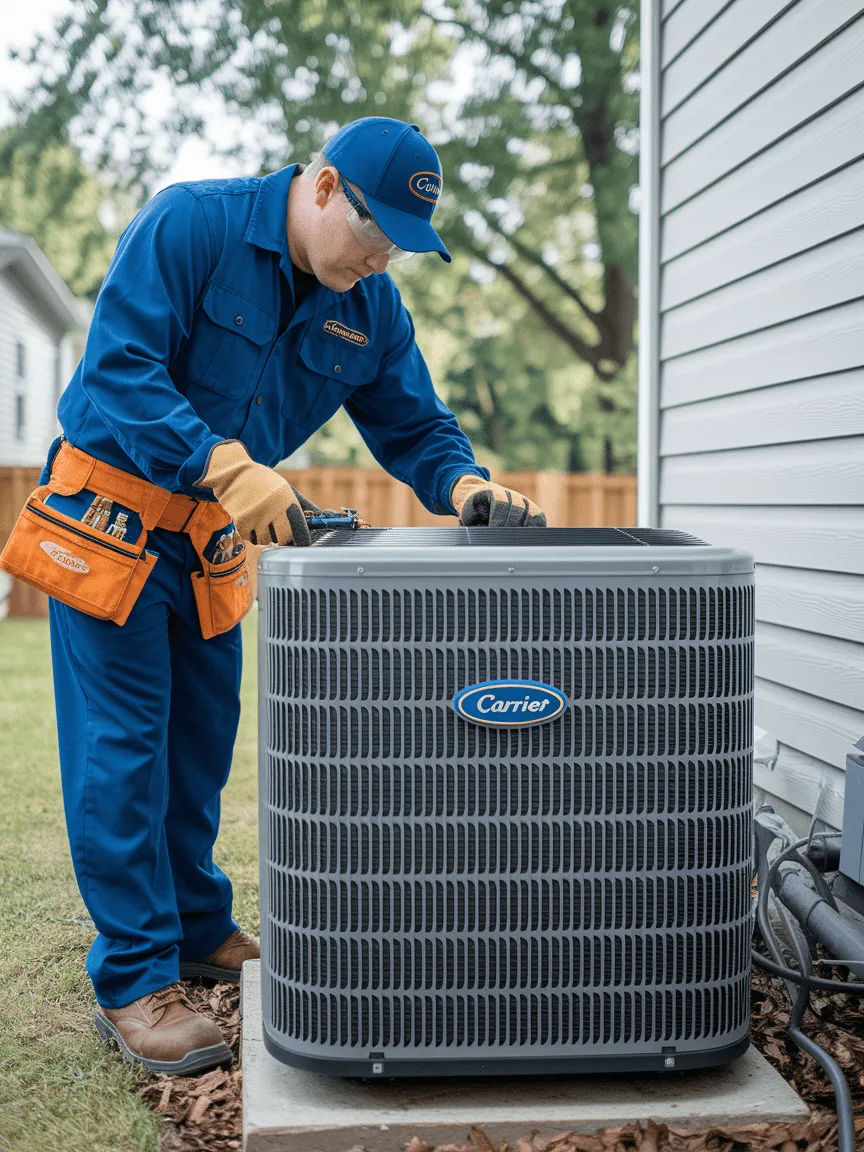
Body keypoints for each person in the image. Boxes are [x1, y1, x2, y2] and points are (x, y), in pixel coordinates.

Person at [4, 116, 546, 1076]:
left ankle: (198, 930)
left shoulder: (369, 308)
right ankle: (132, 979)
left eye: (402, 253)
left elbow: (414, 423)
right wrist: (217, 460)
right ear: (327, 187)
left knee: (201, 745)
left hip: (211, 543)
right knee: (124, 752)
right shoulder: (192, 227)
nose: (382, 261)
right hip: (112, 522)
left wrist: (461, 482)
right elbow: (117, 367)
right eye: (376, 235)